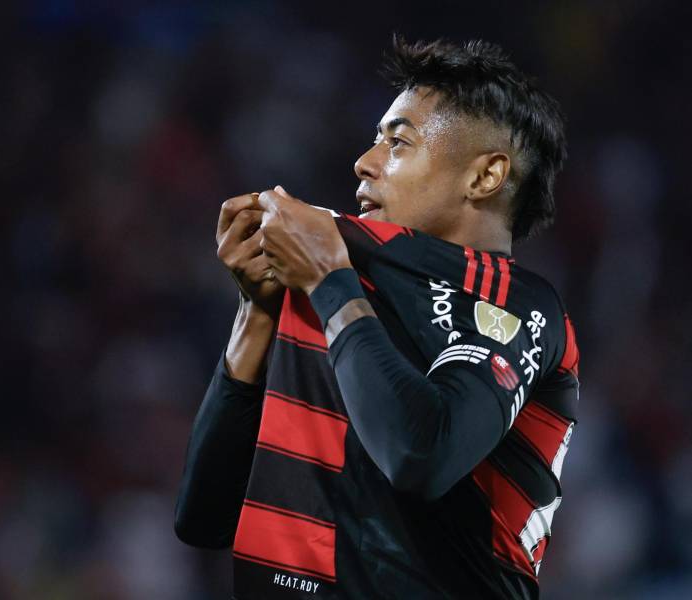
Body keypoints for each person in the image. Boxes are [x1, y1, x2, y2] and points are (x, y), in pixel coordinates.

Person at [175, 36, 579, 600]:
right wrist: (257, 313)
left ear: (485, 177)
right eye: (374, 139)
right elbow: (204, 519)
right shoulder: (344, 285)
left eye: (398, 142)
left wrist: (326, 280)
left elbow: (422, 454)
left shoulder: (515, 303)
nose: (364, 163)